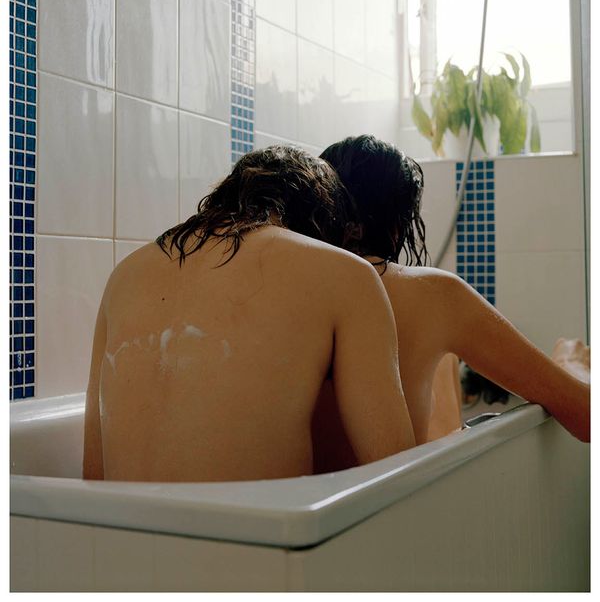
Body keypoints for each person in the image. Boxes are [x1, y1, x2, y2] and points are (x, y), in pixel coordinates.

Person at [83, 145, 415, 482]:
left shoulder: (125, 274)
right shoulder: (345, 273)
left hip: (118, 517)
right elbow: (397, 475)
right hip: (250, 518)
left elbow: (93, 475)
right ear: (321, 221)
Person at [314, 134, 590, 470]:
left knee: (442, 361)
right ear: (399, 223)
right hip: (392, 498)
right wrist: (570, 365)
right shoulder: (432, 293)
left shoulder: (290, 289)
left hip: (302, 499)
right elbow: (584, 414)